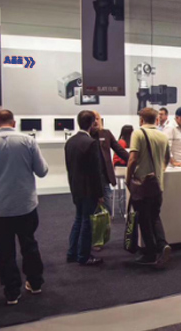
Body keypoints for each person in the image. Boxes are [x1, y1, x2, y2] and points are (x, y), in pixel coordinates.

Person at [0, 110, 49, 304]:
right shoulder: (28, 142)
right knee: (29, 245)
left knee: (5, 251)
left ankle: (12, 292)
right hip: (26, 206)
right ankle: (35, 283)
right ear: (13, 123)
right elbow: (42, 171)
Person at [126, 108, 172, 267]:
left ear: (141, 120)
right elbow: (167, 158)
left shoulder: (138, 133)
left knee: (144, 220)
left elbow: (132, 159)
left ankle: (150, 253)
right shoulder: (163, 136)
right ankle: (162, 244)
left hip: (142, 184)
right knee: (154, 216)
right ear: (157, 120)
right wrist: (160, 171)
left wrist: (128, 179)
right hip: (157, 185)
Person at [65, 110, 105, 267]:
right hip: (89, 189)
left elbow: (69, 168)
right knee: (87, 222)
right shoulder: (91, 143)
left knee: (78, 219)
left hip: (76, 187)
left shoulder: (70, 142)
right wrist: (100, 193)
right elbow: (95, 171)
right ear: (93, 123)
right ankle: (83, 255)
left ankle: (72, 253)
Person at [92, 111, 129, 215]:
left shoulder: (106, 134)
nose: (95, 121)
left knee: (106, 208)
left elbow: (119, 150)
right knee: (91, 211)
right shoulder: (87, 136)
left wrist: (133, 161)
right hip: (91, 178)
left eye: (97, 118)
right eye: (93, 119)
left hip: (104, 177)